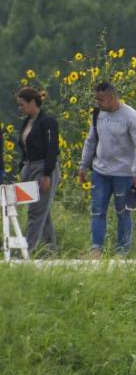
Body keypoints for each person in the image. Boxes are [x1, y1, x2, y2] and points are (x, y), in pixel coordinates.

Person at [78, 81, 136, 256]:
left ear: (112, 97)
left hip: (124, 174)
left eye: (101, 100)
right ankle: (96, 249)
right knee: (97, 210)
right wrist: (83, 165)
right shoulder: (98, 114)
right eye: (97, 99)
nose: (98, 103)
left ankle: (122, 251)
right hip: (100, 172)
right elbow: (91, 140)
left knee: (123, 212)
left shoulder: (130, 116)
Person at [14, 87, 60, 255]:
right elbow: (25, 148)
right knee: (43, 211)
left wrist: (47, 174)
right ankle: (51, 250)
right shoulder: (27, 122)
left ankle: (27, 249)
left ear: (32, 102)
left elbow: (51, 149)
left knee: (36, 211)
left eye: (22, 104)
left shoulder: (48, 122)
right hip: (30, 166)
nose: (20, 108)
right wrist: (23, 168)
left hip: (44, 167)